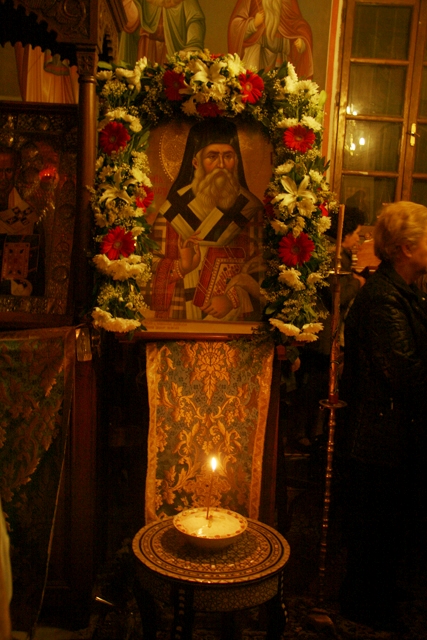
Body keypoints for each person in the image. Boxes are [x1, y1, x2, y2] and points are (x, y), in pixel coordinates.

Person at [339, 201, 427, 631]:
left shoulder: (405, 290)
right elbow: (403, 372)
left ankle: (381, 595)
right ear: (406, 248)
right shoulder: (383, 298)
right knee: (376, 528)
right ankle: (367, 608)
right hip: (378, 435)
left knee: (389, 526)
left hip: (393, 430)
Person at [147, 119, 265, 321]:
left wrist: (233, 298)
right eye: (212, 156)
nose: (221, 165)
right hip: (180, 318)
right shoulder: (173, 210)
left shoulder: (250, 210)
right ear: (195, 162)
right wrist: (182, 267)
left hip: (238, 324)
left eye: (228, 156)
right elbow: (147, 268)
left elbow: (263, 268)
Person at [281, 207, 366, 451]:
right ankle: (304, 435)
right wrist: (357, 282)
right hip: (323, 333)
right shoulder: (333, 254)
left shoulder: (330, 250)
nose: (358, 240)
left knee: (314, 385)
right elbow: (337, 295)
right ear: (345, 233)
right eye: (357, 234)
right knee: (314, 386)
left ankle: (308, 433)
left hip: (320, 332)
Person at [0, 145, 45, 297]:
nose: (2, 177)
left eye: (8, 171)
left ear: (16, 172)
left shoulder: (27, 216)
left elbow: (37, 271)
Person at [228, 0, 313, 77]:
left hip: (281, 55)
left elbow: (297, 23)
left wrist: (302, 41)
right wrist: (253, 24)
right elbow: (235, 27)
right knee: (251, 84)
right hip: (256, 53)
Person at [119, 0, 206, 67]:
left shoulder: (186, 2)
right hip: (146, 48)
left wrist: (192, 47)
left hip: (172, 51)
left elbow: (195, 20)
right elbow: (132, 22)